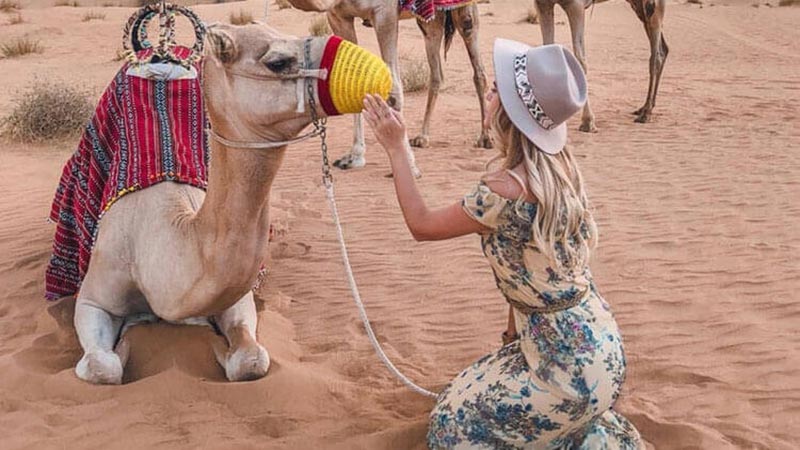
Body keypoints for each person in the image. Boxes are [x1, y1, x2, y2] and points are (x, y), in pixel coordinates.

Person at [362, 39, 642, 449]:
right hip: (603, 350)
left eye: (496, 90)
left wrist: (396, 146)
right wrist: (514, 334)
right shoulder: (563, 173)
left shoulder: (501, 192)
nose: (488, 95)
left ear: (509, 113)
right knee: (467, 389)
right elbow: (534, 266)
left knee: (452, 424)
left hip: (564, 370)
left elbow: (421, 225)